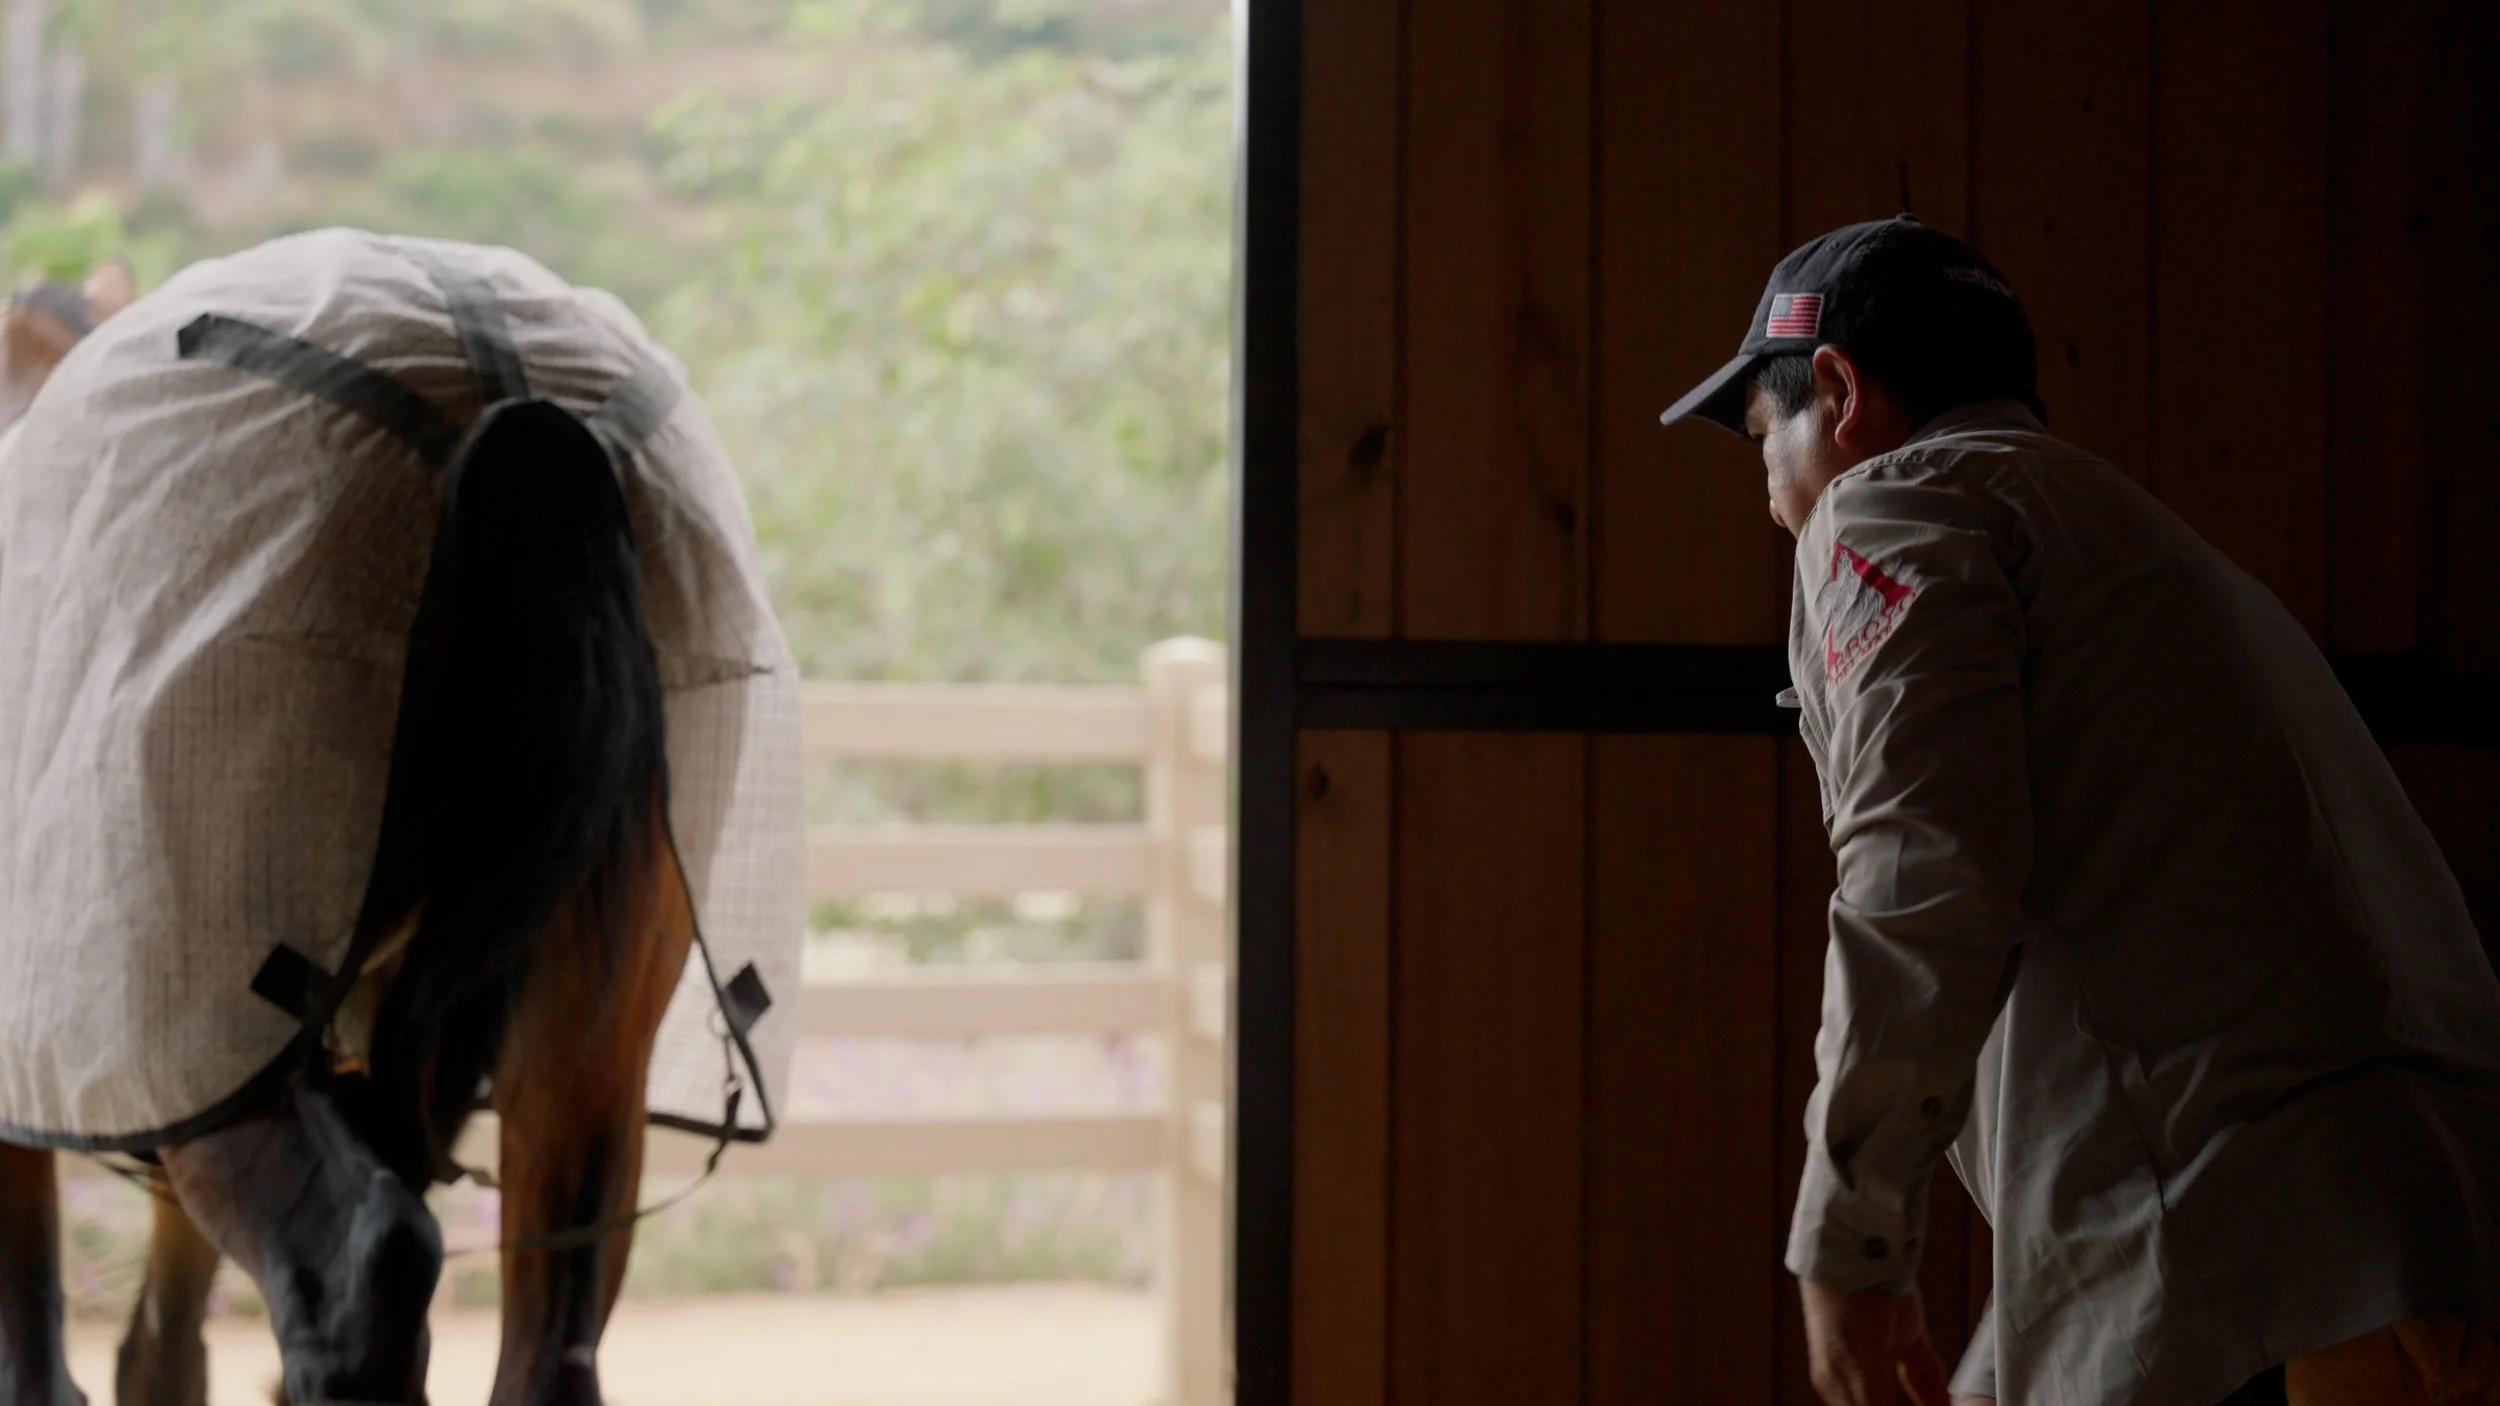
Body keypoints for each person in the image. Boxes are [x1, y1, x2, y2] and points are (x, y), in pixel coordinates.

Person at [1660, 214, 2500, 1406]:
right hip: (2417, 1238)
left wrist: (1848, 1230)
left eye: (1760, 438)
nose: (1770, 500)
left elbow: (1922, 869)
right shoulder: (2153, 551)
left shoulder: (1889, 510)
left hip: (2250, 1265)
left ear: (1836, 391)